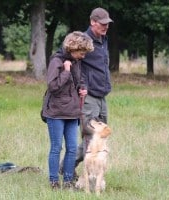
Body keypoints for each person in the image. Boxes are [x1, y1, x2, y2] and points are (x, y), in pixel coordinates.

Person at [41, 31, 94, 190]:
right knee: (56, 147)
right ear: (72, 48)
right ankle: (54, 181)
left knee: (72, 148)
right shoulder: (57, 61)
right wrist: (65, 71)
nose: (83, 56)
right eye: (81, 52)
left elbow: (80, 81)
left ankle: (69, 181)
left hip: (72, 112)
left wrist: (83, 89)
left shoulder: (76, 62)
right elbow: (53, 86)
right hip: (56, 113)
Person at [76, 7, 113, 171]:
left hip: (102, 95)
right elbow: (72, 61)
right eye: (102, 23)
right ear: (93, 22)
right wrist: (82, 85)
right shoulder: (83, 40)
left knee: (101, 135)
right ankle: (81, 174)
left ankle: (66, 167)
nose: (106, 27)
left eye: (107, 24)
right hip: (88, 95)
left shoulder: (103, 39)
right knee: (90, 136)